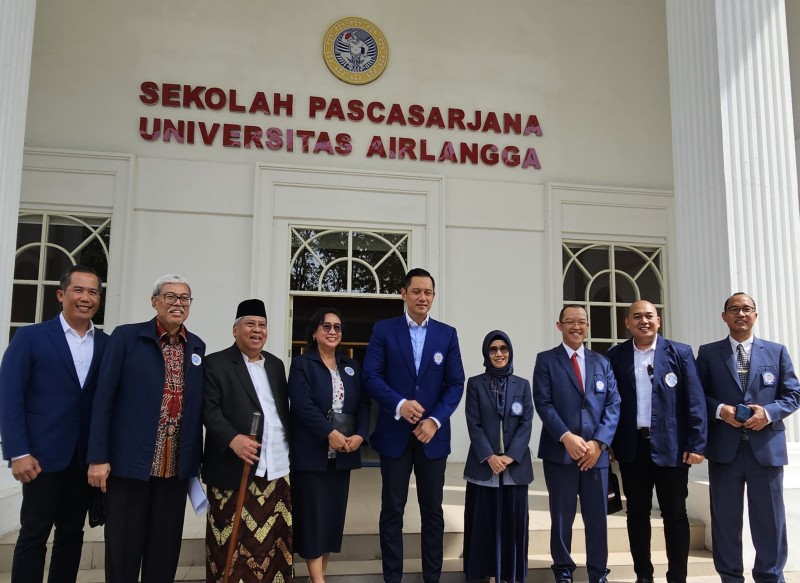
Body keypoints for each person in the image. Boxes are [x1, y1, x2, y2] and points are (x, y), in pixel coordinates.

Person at [86, 274, 205, 583]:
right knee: (123, 553)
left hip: (174, 470)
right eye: (170, 297)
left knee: (163, 555)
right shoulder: (126, 338)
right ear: (155, 302)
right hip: (130, 467)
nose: (178, 303)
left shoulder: (196, 347)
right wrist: (98, 457)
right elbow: (103, 399)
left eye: (184, 298)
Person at [0, 265, 108, 583]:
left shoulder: (106, 344)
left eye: (93, 292)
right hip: (40, 459)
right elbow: (10, 398)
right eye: (79, 290)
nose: (86, 298)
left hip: (83, 459)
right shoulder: (30, 338)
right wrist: (18, 452)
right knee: (34, 535)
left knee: (72, 535)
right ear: (61, 294)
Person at [362, 267, 465, 583]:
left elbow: (456, 383)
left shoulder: (446, 334)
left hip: (432, 437)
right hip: (394, 436)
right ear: (404, 294)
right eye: (417, 291)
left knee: (432, 512)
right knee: (392, 510)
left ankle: (431, 577)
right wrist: (399, 404)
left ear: (433, 297)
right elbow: (371, 376)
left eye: (428, 292)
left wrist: (434, 420)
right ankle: (392, 577)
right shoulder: (384, 330)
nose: (423, 297)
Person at [696, 293, 800, 583]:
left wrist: (766, 413)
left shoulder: (776, 352)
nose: (740, 314)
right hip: (725, 452)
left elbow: (793, 395)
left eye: (746, 309)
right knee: (726, 522)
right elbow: (695, 395)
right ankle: (730, 578)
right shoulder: (708, 353)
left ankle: (769, 577)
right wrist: (720, 410)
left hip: (765, 450)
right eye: (734, 309)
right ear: (724, 316)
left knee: (770, 521)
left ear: (755, 315)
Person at [607, 300, 706, 583]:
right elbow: (610, 403)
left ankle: (677, 577)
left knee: (675, 514)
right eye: (636, 316)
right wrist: (609, 442)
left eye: (649, 316)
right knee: (636, 514)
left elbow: (695, 401)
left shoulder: (680, 352)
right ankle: (644, 576)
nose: (644, 321)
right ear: (627, 323)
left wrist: (697, 444)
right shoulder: (616, 355)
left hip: (673, 449)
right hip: (632, 448)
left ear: (658, 320)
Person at [202, 299, 292, 583]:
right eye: (250, 324)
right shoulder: (215, 363)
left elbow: (280, 412)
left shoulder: (276, 365)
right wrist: (233, 439)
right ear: (235, 329)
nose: (257, 331)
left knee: (274, 545)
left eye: (262, 325)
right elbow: (208, 409)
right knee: (229, 545)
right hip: (234, 469)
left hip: (276, 470)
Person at [533, 306, 620, 583]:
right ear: (559, 326)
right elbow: (543, 403)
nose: (575, 326)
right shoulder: (546, 360)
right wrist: (566, 437)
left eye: (581, 322)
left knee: (597, 519)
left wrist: (599, 443)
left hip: (596, 456)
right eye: (569, 321)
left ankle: (598, 572)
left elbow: (613, 404)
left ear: (588, 326)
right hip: (561, 453)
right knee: (562, 518)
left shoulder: (602, 363)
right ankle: (563, 571)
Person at [288, 307, 370, 582]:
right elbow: (302, 405)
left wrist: (359, 435)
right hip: (312, 453)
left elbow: (363, 404)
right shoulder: (302, 364)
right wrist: (328, 433)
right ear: (314, 332)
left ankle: (320, 574)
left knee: (332, 519)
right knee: (313, 519)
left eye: (337, 327)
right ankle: (317, 580)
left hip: (344, 453)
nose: (332, 331)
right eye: (326, 326)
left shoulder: (351, 366)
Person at [463, 330, 534, 583]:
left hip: (514, 468)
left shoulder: (522, 385)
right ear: (486, 353)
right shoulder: (475, 383)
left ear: (510, 352)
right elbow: (474, 423)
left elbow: (527, 424)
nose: (499, 354)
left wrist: (511, 456)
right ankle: (487, 574)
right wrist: (490, 456)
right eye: (493, 350)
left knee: (512, 524)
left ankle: (509, 575)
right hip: (485, 467)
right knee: (485, 523)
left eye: (503, 349)